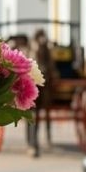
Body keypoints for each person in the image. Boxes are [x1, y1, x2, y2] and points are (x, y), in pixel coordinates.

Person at [27, 28, 58, 157]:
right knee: (32, 116)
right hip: (33, 87)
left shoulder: (47, 50)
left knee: (39, 115)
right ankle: (32, 144)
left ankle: (43, 139)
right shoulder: (33, 49)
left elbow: (51, 68)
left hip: (45, 88)